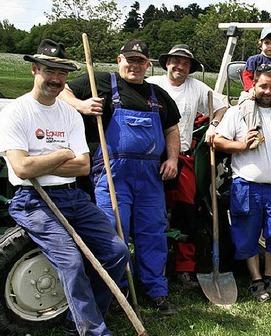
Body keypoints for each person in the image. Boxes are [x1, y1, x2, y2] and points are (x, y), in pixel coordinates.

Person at [0, 39, 135, 336]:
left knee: (116, 252)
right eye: (49, 71)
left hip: (72, 196)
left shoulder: (70, 115)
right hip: (33, 200)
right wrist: (61, 154)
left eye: (61, 73)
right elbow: (21, 168)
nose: (56, 79)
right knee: (71, 262)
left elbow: (84, 166)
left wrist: (43, 158)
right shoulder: (15, 112)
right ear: (35, 69)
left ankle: (86, 318)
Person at [59, 39, 181, 315]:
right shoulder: (101, 82)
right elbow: (63, 90)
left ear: (147, 65)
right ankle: (116, 292)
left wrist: (172, 159)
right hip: (113, 177)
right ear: (119, 60)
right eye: (130, 60)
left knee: (153, 234)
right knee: (113, 235)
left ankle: (156, 291)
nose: (135, 65)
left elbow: (172, 129)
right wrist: (81, 104)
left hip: (150, 178)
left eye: (140, 61)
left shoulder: (158, 95)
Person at [213, 64, 271, 302]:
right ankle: (255, 280)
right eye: (263, 85)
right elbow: (218, 142)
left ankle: (269, 276)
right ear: (253, 85)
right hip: (247, 186)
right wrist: (242, 145)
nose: (267, 91)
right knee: (247, 235)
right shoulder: (237, 112)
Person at [147, 44, 227, 288]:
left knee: (187, 211)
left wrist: (213, 124)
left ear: (190, 68)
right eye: (175, 61)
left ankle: (184, 267)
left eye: (185, 63)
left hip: (181, 156)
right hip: (150, 157)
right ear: (167, 62)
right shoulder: (152, 84)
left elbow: (222, 106)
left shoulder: (198, 88)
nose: (179, 66)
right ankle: (152, 265)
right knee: (151, 212)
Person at [239, 27, 271, 149]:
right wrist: (250, 89)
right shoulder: (254, 60)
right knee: (247, 101)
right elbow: (247, 76)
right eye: (267, 42)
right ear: (260, 44)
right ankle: (254, 133)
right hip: (255, 91)